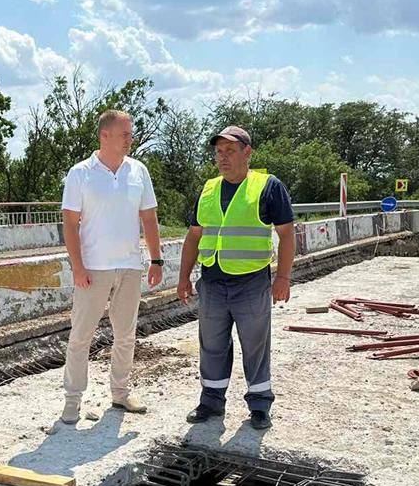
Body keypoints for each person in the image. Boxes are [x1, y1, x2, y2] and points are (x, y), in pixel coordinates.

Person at [176, 125, 295, 430]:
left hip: (251, 281)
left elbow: (286, 233)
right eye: (219, 151)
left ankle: (259, 405)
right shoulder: (208, 189)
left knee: (255, 344)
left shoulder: (268, 186)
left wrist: (282, 277)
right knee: (212, 344)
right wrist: (184, 276)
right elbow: (194, 236)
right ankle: (211, 402)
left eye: (230, 150)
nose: (222, 157)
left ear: (247, 152)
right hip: (212, 280)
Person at [60, 109, 164, 424]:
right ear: (105, 135)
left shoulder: (138, 171)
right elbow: (69, 223)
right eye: (125, 134)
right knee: (81, 336)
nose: (130, 139)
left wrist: (156, 258)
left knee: (126, 334)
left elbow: (149, 217)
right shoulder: (81, 173)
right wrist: (77, 267)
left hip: (130, 266)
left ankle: (120, 393)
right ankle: (72, 400)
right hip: (93, 269)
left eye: (130, 134)